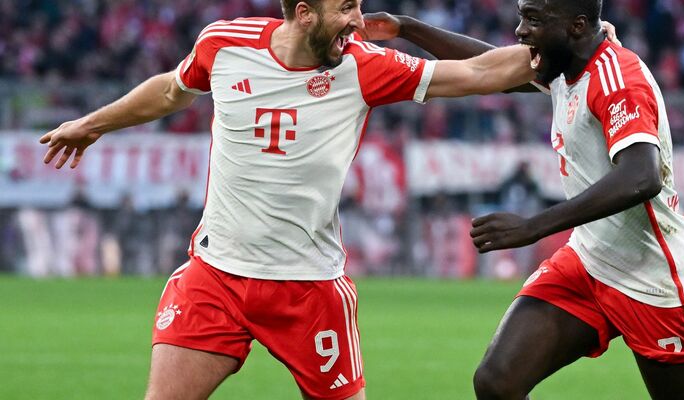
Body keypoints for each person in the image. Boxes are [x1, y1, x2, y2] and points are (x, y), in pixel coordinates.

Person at [39, 1, 536, 399]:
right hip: (216, 276)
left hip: (309, 289)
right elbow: (171, 92)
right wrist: (92, 124)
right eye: (345, 8)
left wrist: (579, 47)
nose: (358, 22)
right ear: (303, 14)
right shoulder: (224, 44)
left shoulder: (365, 67)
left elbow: (477, 74)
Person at [362, 1, 684, 399]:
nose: (519, 30)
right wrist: (408, 28)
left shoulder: (618, 78)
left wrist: (533, 226)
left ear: (577, 25)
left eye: (533, 19)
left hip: (657, 279)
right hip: (590, 262)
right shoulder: (562, 65)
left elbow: (642, 176)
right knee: (497, 383)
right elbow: (486, 65)